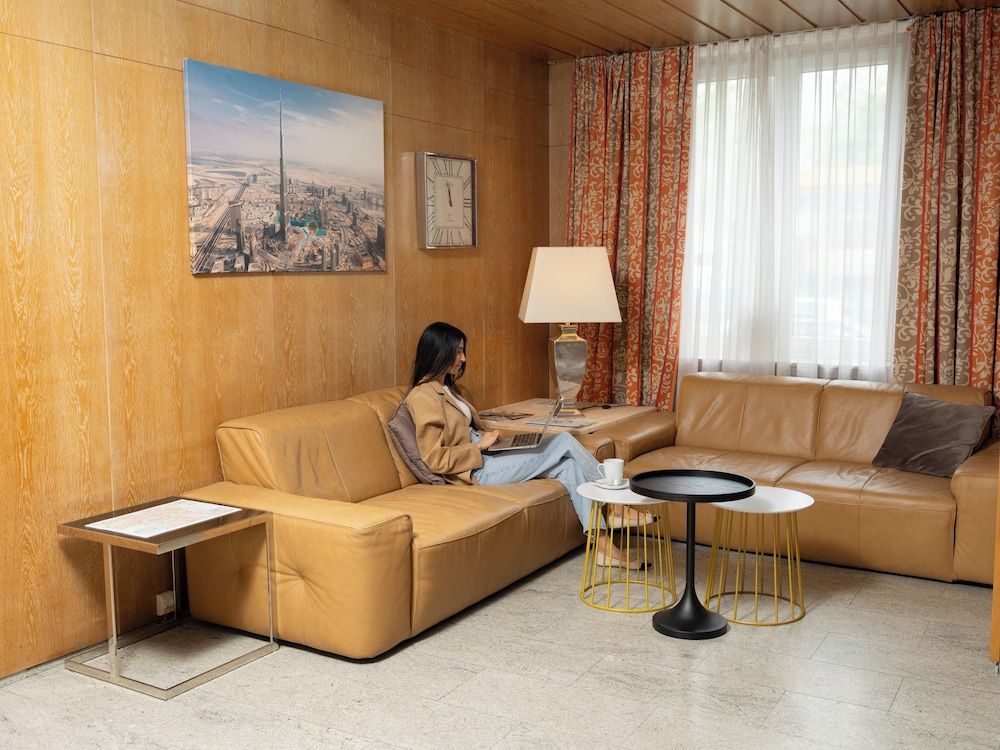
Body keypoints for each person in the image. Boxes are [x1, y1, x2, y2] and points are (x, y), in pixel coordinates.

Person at [404, 321, 646, 568]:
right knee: (564, 440)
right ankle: (616, 506)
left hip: (490, 455)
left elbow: (466, 429)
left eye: (463, 351)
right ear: (439, 351)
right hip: (477, 470)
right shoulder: (423, 395)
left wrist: (491, 437)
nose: (463, 359)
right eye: (457, 352)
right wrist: (478, 447)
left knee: (569, 467)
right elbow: (434, 458)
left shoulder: (448, 388)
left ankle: (604, 546)